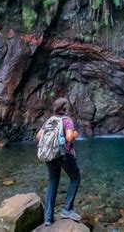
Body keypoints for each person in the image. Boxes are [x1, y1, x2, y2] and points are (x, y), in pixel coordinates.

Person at [36, 97, 81, 226]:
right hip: (63, 154)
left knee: (53, 182)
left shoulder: (50, 121)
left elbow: (38, 136)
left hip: (50, 155)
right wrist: (75, 135)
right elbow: (69, 137)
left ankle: (48, 218)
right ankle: (67, 209)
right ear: (64, 108)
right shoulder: (67, 121)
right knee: (75, 178)